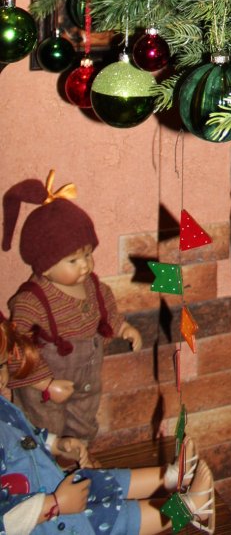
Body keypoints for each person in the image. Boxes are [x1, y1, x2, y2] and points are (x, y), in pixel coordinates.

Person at [0, 316, 214, 533]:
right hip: (47, 523)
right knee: (114, 518)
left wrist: (56, 444)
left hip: (48, 482)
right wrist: (54, 504)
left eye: (1, 366)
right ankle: (190, 508)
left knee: (100, 481)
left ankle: (171, 478)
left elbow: (24, 435)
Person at [2, 172, 143, 446]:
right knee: (45, 426)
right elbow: (18, 348)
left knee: (83, 421)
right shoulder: (32, 301)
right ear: (45, 266)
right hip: (44, 388)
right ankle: (49, 463)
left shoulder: (93, 287)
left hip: (86, 380)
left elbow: (107, 312)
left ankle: (80, 455)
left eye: (88, 255)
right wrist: (45, 385)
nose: (85, 265)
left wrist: (123, 327)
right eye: (73, 260)